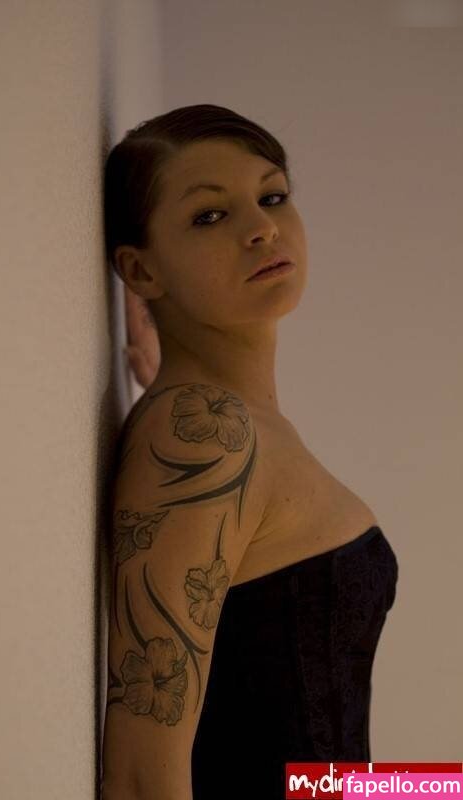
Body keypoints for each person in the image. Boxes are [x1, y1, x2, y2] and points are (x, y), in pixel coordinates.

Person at [101, 104, 399, 800]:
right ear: (140, 270)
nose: (262, 227)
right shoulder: (204, 438)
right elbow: (140, 779)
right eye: (210, 216)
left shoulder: (230, 423)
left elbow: (322, 774)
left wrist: (434, 788)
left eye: (272, 196)